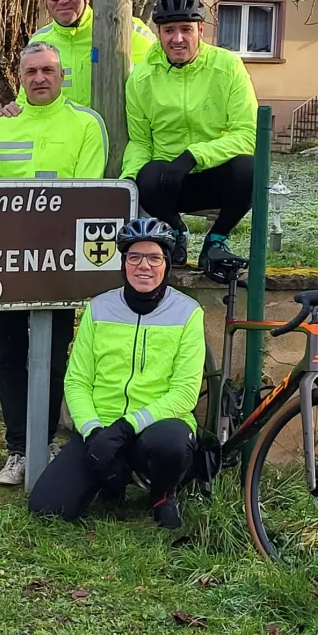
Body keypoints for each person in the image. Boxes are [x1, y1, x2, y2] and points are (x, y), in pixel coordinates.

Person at [0, 41, 108, 486]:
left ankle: (43, 443)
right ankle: (17, 449)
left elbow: (86, 195)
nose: (40, 78)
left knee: (50, 356)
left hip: (57, 264)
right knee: (10, 356)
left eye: (48, 70)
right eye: (31, 71)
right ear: (20, 76)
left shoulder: (86, 125)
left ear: (62, 75)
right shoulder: (0, 127)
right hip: (8, 263)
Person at [28, 218, 205, 529]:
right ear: (124, 263)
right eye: (134, 257)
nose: (144, 266)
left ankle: (163, 495)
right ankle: (113, 481)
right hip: (103, 427)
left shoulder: (188, 313)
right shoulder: (99, 308)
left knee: (172, 442)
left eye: (154, 257)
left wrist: (127, 426)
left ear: (166, 264)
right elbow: (78, 380)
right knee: (46, 508)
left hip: (154, 426)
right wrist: (94, 431)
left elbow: (185, 392)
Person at [121, 0, 257, 271]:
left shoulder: (228, 66)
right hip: (171, 181)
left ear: (201, 30)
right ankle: (176, 233)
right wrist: (129, 181)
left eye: (186, 29)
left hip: (215, 174)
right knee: (145, 174)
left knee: (250, 168)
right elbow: (140, 141)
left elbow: (246, 134)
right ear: (159, 33)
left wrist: (195, 156)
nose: (178, 38)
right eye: (169, 30)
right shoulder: (141, 78)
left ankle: (216, 240)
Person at [0, 0, 156, 116]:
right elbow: (28, 100)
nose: (62, 0)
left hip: (114, 139)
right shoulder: (39, 41)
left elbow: (163, 81)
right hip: (62, 139)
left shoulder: (127, 30)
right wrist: (14, 110)